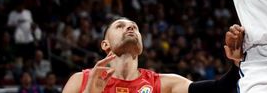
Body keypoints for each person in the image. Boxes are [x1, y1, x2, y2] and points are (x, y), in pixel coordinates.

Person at [62, 18, 244, 93]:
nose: (130, 27)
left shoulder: (162, 84)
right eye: (120, 26)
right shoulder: (81, 80)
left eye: (134, 26)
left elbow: (219, 89)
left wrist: (236, 65)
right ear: (105, 44)